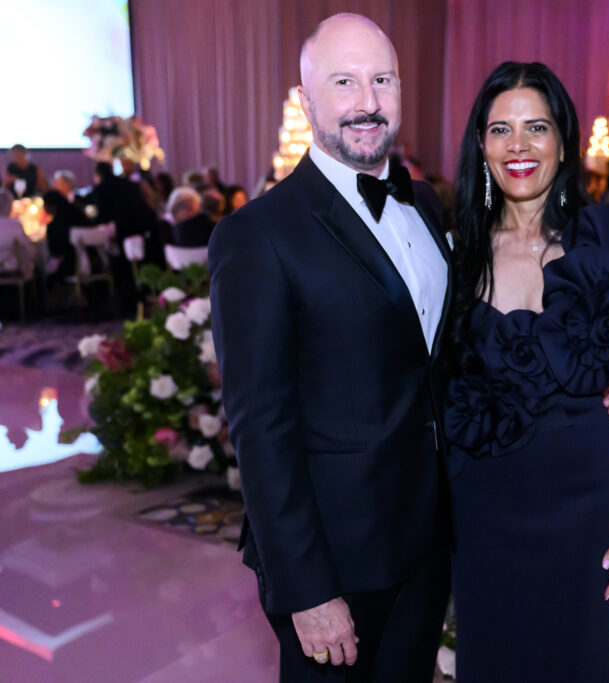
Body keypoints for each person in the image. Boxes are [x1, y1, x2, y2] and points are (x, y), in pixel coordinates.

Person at [209, 14, 450, 682]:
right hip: (335, 562)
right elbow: (260, 426)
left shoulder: (426, 206)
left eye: (382, 80)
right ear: (306, 99)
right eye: (344, 82)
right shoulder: (258, 235)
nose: (367, 102)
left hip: (427, 545)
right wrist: (306, 586)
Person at [445, 61, 609, 682]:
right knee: (489, 659)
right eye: (500, 130)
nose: (518, 145)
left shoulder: (608, 244)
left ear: (563, 140)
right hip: (481, 499)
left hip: (581, 498)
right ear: (480, 146)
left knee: (577, 660)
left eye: (536, 127)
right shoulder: (456, 250)